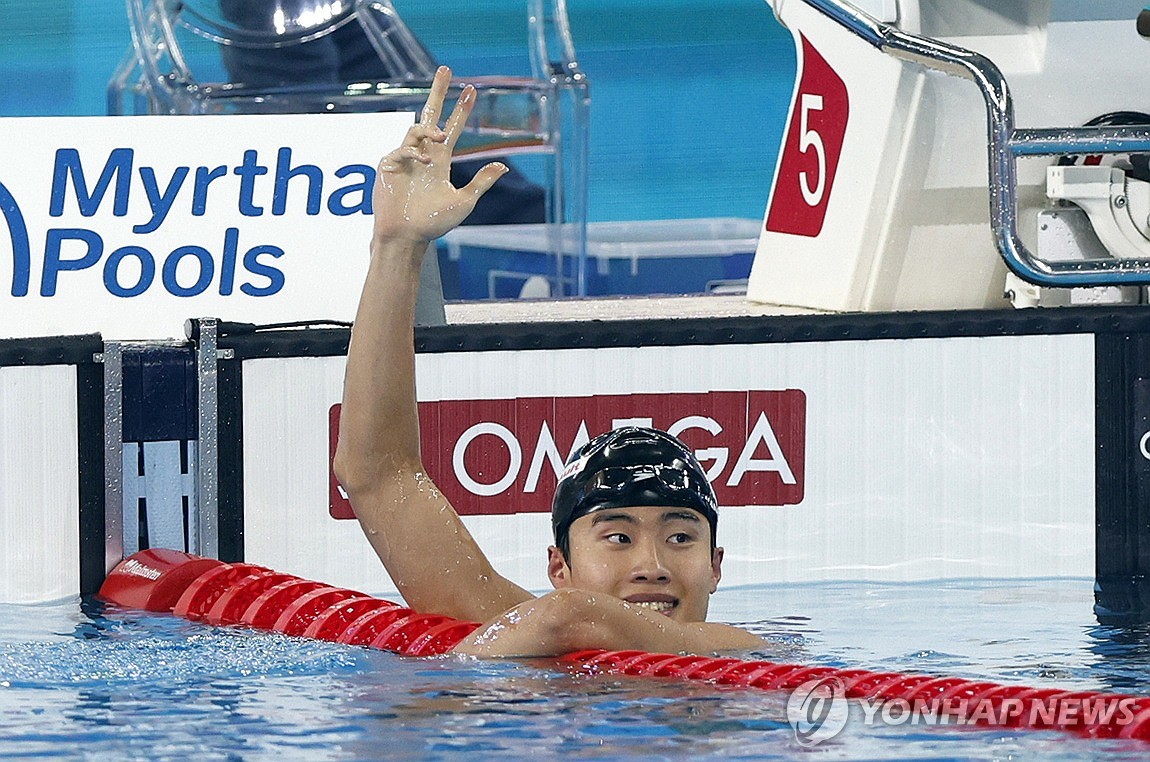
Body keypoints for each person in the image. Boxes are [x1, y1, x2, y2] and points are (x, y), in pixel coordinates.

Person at [332, 66, 763, 657]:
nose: (653, 566)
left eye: (681, 536)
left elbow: (571, 618)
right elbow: (376, 473)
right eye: (617, 535)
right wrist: (397, 246)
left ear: (716, 566)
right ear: (558, 565)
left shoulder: (746, 655)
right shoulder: (530, 627)